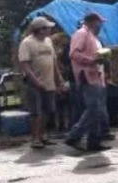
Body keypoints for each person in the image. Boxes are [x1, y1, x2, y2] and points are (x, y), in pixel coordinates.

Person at [64, 12, 112, 152]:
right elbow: (73, 54)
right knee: (93, 109)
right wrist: (92, 60)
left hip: (96, 74)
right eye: (98, 22)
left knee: (96, 110)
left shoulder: (93, 36)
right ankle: (74, 135)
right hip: (87, 75)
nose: (100, 25)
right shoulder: (81, 34)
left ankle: (94, 141)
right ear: (92, 22)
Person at [19, 17, 67, 148]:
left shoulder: (48, 41)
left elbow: (54, 62)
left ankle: (43, 135)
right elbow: (25, 65)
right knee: (36, 112)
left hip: (49, 81)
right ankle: (35, 138)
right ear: (40, 29)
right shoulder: (27, 43)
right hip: (34, 83)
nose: (50, 30)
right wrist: (36, 81)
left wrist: (59, 79)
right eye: (47, 28)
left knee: (48, 110)